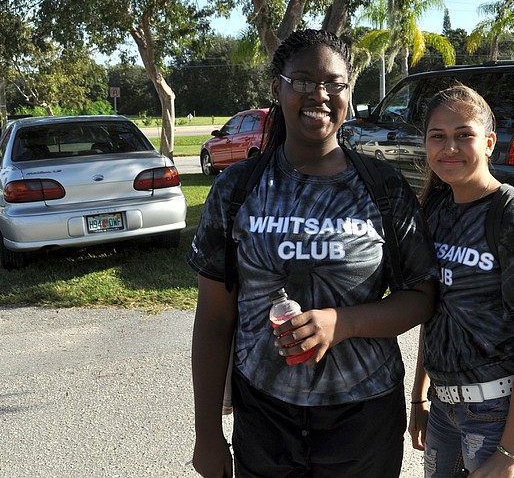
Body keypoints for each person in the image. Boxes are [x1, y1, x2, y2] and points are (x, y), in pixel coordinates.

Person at [188, 29, 438, 478]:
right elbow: (213, 318)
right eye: (302, 81)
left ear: (348, 92)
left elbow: (421, 296)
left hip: (363, 419)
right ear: (277, 88)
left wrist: (341, 324)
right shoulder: (236, 189)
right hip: (264, 419)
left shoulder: (382, 188)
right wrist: (207, 435)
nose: (318, 95)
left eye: (334, 84)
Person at [408, 85, 514, 478]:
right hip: (443, 408)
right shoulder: (435, 210)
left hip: (496, 414)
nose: (449, 148)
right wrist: (419, 398)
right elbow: (434, 312)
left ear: (489, 143)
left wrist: (508, 453)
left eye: (464, 135)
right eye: (437, 136)